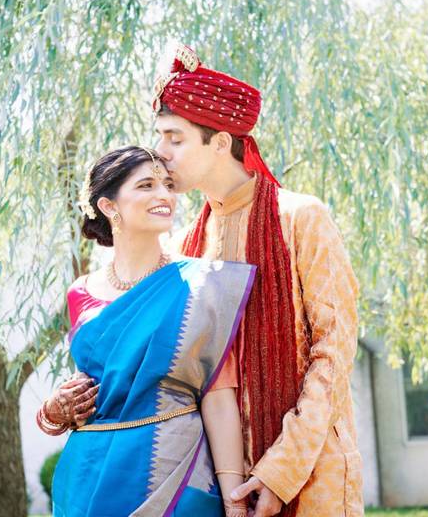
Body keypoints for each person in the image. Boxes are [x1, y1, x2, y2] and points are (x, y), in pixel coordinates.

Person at [147, 45, 364, 517]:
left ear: (221, 143)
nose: (160, 153)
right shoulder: (188, 244)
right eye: (159, 137)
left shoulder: (301, 219)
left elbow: (335, 350)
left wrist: (280, 471)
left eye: (174, 138)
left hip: (311, 476)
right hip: (220, 486)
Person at [37, 146, 256, 516]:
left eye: (168, 184)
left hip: (173, 472)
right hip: (89, 478)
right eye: (146, 185)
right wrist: (52, 411)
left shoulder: (201, 284)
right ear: (109, 206)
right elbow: (95, 385)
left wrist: (234, 500)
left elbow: (219, 397)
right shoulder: (81, 293)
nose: (164, 196)